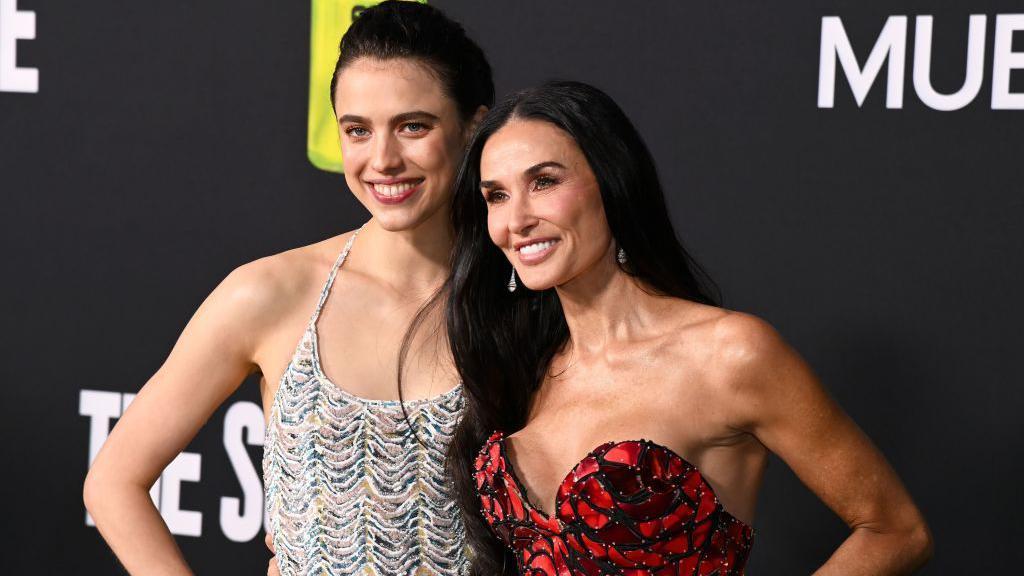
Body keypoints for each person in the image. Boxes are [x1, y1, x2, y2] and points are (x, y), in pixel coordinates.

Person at [443, 81, 933, 575]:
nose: (517, 219)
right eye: (497, 196)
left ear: (613, 183)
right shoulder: (522, 363)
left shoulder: (731, 354)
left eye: (544, 181)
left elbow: (895, 530)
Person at [82, 3, 493, 575]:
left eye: (413, 126)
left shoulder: (525, 299)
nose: (383, 160)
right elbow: (113, 483)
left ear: (474, 127)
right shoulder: (271, 294)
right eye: (357, 130)